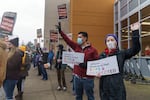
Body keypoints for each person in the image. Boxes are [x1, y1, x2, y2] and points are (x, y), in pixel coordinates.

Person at [97, 22, 141, 100]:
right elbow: (97, 68)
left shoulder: (121, 54)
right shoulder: (102, 55)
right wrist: (97, 73)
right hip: (104, 88)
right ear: (106, 43)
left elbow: (135, 49)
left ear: (116, 42)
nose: (110, 42)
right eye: (108, 41)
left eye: (112, 40)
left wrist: (135, 33)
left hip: (117, 89)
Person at [56, 23, 99, 100]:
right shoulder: (76, 47)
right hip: (77, 77)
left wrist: (87, 65)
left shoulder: (93, 50)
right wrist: (60, 31)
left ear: (85, 38)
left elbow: (97, 63)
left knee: (90, 96)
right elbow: (68, 41)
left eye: (80, 37)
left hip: (88, 78)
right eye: (77, 37)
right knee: (78, 96)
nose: (78, 39)